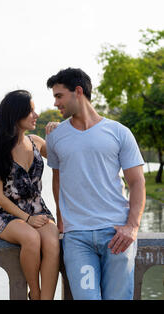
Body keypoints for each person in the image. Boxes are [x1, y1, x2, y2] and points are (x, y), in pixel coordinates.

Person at [45, 68, 146, 300]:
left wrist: (132, 226)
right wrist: (62, 224)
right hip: (77, 238)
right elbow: (57, 181)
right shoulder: (57, 137)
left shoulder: (119, 132)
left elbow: (137, 182)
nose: (55, 103)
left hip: (116, 234)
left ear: (77, 91)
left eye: (59, 96)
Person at [0, 90, 60, 300]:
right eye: (30, 111)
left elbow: (63, 154)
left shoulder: (36, 141)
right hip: (8, 214)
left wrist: (56, 134)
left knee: (53, 243)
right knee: (31, 238)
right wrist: (27, 218)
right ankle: (35, 295)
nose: (35, 115)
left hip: (38, 210)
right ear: (15, 115)